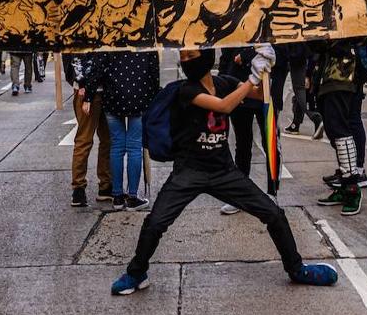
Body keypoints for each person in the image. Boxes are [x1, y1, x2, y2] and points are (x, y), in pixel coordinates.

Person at [109, 48, 338, 295]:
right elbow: (223, 106)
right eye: (183, 58)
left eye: (191, 56)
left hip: (223, 171)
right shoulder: (187, 90)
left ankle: (296, 268)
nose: (187, 62)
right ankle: (136, 273)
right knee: (155, 223)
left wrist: (264, 69)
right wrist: (250, 78)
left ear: (206, 57)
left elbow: (261, 95)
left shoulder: (224, 82)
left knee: (273, 214)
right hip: (189, 171)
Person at [83, 50, 159, 211]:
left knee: (116, 146)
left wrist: (88, 96)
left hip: (113, 96)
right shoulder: (145, 38)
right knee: (134, 147)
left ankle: (117, 197)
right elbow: (153, 70)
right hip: (139, 96)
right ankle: (132, 197)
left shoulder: (111, 36)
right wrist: (154, 96)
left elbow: (97, 68)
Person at [312, 37, 367, 216]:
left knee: (340, 130)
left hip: (344, 74)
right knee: (334, 130)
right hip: (331, 74)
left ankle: (351, 188)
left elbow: (346, 40)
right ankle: (345, 181)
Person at [217, 46, 264, 215]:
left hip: (265, 89)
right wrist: (224, 87)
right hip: (237, 88)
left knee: (270, 142)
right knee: (242, 144)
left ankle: (273, 192)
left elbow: (277, 51)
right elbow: (225, 56)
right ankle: (240, 195)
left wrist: (246, 55)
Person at [64, 52, 112, 207]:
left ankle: (85, 187)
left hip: (100, 90)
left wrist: (78, 83)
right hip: (94, 91)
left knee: (97, 140)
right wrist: (81, 84)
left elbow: (69, 64)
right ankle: (90, 187)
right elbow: (70, 63)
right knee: (94, 140)